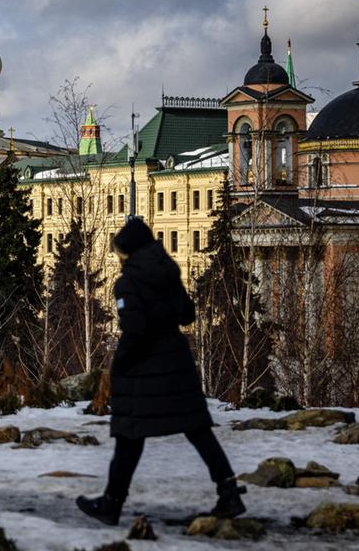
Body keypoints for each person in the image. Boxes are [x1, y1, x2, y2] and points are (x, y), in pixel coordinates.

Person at [77, 216, 245, 526]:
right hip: (178, 365)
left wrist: (119, 367)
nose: (118, 257)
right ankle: (229, 492)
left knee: (129, 437)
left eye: (119, 252)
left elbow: (135, 331)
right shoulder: (168, 272)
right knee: (198, 431)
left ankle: (112, 504)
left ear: (127, 251)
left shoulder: (128, 282)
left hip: (144, 372)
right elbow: (187, 314)